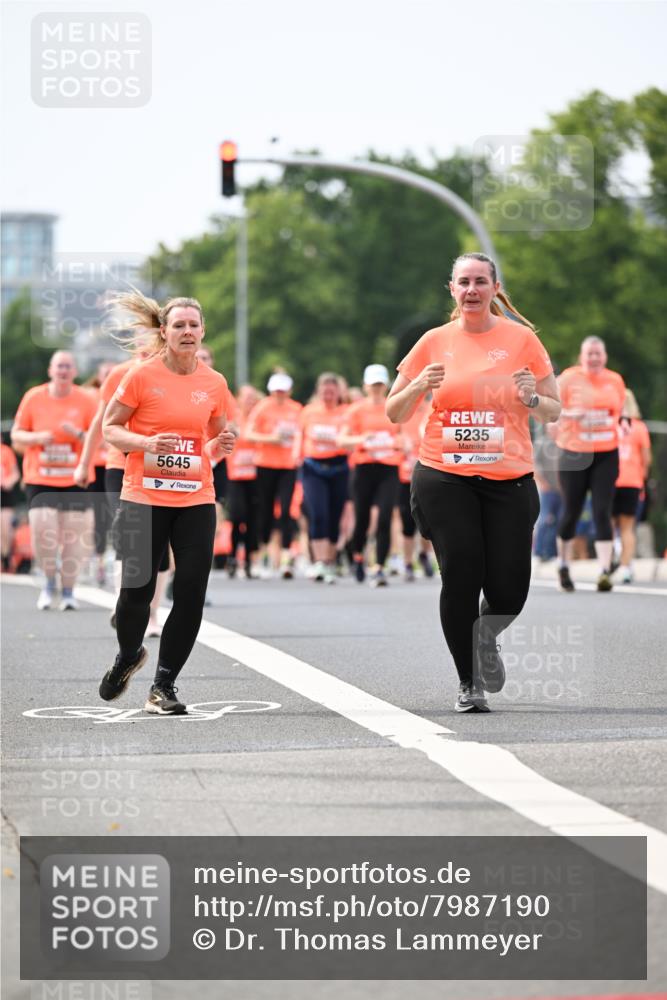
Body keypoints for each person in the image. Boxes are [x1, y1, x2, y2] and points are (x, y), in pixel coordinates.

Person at [386, 252, 560, 713]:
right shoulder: (433, 342)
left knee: (509, 591)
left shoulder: (521, 341)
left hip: (509, 478)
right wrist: (420, 383)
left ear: (494, 287)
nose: (472, 290)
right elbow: (394, 411)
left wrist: (531, 397)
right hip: (444, 476)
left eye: (480, 281)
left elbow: (554, 409)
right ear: (452, 289)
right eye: (463, 282)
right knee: (462, 573)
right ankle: (468, 682)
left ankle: (486, 636)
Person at [98, 292, 235, 715]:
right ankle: (127, 656)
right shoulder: (141, 376)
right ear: (165, 331)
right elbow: (110, 428)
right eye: (179, 325)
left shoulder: (214, 382)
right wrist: (146, 442)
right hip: (143, 496)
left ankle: (164, 684)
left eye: (194, 325)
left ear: (203, 330)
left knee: (191, 590)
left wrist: (221, 444)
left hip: (195, 496)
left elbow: (215, 433)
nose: (188, 332)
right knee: (135, 593)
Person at [75, 342, 169, 637]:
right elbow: (101, 421)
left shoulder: (178, 376)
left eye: (153, 346)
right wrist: (84, 463)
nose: (147, 352)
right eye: (142, 347)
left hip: (164, 468)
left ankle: (152, 615)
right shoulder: (120, 374)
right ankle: (122, 605)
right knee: (128, 532)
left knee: (159, 542)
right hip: (121, 465)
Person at [11, 351, 97, 610]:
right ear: (50, 370)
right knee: (43, 530)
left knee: (73, 536)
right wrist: (37, 438)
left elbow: (100, 437)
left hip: (75, 476)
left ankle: (69, 591)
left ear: (74, 372)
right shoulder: (34, 397)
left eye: (68, 367)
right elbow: (16, 434)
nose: (63, 371)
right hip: (41, 476)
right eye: (59, 366)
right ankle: (49, 582)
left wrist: (79, 435)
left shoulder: (86, 400)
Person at [554, 337, 626, 592]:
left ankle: (605, 571)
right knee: (571, 510)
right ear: (581, 356)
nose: (594, 358)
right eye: (590, 354)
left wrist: (625, 421)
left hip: (606, 452)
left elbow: (622, 408)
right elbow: (551, 409)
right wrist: (573, 415)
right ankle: (563, 564)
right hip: (574, 453)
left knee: (601, 510)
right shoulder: (568, 378)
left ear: (604, 356)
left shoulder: (615, 380)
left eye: (598, 353)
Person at [340, 364, 403, 587]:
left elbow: (405, 438)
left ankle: (379, 567)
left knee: (385, 516)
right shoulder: (356, 411)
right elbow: (343, 440)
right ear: (366, 386)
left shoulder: (394, 407)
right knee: (362, 518)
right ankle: (358, 556)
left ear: (386, 385)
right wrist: (363, 440)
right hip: (364, 469)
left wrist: (397, 444)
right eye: (373, 384)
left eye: (380, 384)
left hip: (388, 468)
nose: (376, 388)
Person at [245, 372, 303, 578]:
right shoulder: (263, 408)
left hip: (288, 465)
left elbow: (302, 434)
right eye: (276, 390)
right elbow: (248, 433)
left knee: (287, 510)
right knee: (265, 510)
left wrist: (299, 452)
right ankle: (264, 556)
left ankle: (287, 556)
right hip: (266, 464)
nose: (279, 394)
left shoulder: (297, 409)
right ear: (271, 390)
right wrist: (271, 438)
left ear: (289, 391)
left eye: (283, 390)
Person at [300, 373, 349, 584]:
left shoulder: (346, 413)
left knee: (334, 514)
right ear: (318, 392)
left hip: (339, 467)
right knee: (318, 512)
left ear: (338, 393)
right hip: (313, 467)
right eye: (325, 391)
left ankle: (329, 561)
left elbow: (348, 438)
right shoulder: (309, 412)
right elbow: (299, 435)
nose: (328, 395)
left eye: (332, 391)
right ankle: (319, 561)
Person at [612, 389, 651, 583]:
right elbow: (646, 459)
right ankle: (626, 568)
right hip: (632, 481)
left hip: (609, 481)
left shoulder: (609, 426)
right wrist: (641, 479)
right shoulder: (639, 427)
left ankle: (609, 560)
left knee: (608, 526)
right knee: (628, 528)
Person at [223, 383, 261, 578]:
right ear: (239, 399)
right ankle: (232, 556)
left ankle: (247, 560)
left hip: (256, 475)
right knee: (238, 516)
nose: (250, 402)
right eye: (247, 398)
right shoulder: (233, 417)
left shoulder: (259, 418)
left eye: (253, 398)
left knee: (253, 519)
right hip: (236, 475)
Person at [0, 439, 20, 572]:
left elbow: (15, 474)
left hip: (4, 493)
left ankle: (6, 558)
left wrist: (8, 482)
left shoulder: (6, 451)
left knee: (5, 528)